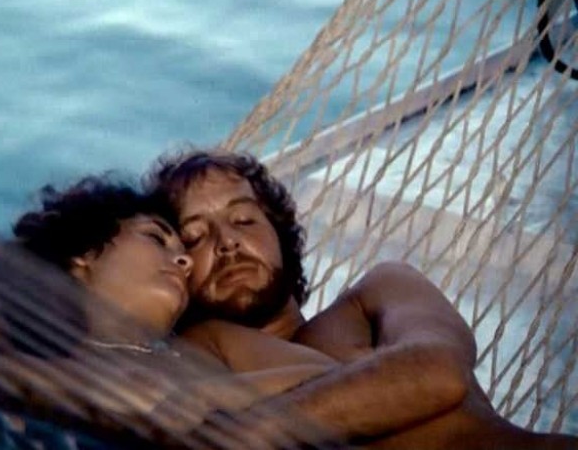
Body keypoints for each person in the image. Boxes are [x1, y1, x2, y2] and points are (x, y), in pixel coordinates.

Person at [146, 149, 577, 449]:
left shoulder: (381, 289)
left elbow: (439, 373)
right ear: (178, 266)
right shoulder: (203, 347)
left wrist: (256, 429)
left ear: (279, 233)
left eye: (244, 219)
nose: (227, 242)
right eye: (195, 236)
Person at [0, 176, 345, 449]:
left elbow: (334, 377)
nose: (184, 262)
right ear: (84, 255)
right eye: (156, 238)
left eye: (184, 251)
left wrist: (203, 396)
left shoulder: (207, 342)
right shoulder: (30, 359)